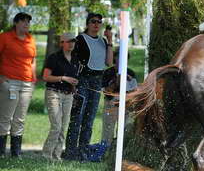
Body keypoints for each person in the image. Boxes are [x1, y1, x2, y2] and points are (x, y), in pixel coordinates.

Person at [63, 13, 113, 161]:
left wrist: (110, 40)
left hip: (97, 81)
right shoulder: (80, 39)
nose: (96, 24)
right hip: (83, 79)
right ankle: (71, 152)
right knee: (77, 117)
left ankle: (83, 151)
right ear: (87, 23)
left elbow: (109, 62)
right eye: (93, 22)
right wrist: (73, 83)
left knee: (89, 119)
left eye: (99, 22)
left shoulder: (103, 41)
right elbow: (72, 61)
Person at [0, 12, 37, 157]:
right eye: (23, 21)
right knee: (5, 117)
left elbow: (33, 61)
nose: (26, 24)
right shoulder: (5, 37)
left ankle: (16, 153)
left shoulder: (31, 40)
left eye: (28, 21)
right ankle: (1, 152)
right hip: (9, 82)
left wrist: (33, 80)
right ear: (16, 23)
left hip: (27, 84)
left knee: (20, 119)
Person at [41, 32, 79, 161]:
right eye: (68, 41)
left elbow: (73, 79)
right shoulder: (54, 57)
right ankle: (47, 155)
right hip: (54, 92)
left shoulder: (75, 59)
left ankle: (56, 156)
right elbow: (45, 77)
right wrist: (63, 78)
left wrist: (74, 86)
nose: (71, 44)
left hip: (69, 95)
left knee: (63, 127)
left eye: (73, 41)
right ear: (62, 43)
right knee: (56, 126)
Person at [101, 51, 138, 146]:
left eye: (125, 58)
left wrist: (127, 80)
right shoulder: (108, 72)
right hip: (111, 102)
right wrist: (117, 79)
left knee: (124, 129)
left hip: (126, 102)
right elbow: (106, 91)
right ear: (115, 59)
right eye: (119, 58)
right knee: (108, 129)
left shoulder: (130, 73)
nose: (122, 61)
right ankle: (105, 150)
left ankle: (121, 150)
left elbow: (134, 91)